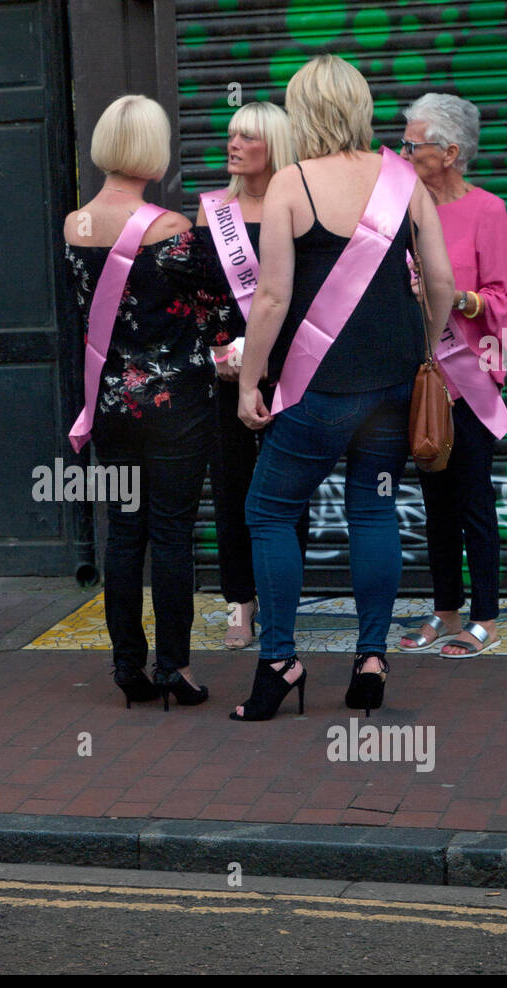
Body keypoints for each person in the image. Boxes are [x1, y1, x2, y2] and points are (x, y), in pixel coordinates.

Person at [230, 55, 454, 721]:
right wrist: (428, 348)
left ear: (304, 114)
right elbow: (439, 280)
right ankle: (371, 659)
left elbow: (270, 299)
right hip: (390, 384)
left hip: (318, 388)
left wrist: (248, 384)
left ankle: (279, 662)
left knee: (268, 512)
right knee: (373, 512)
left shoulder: (290, 184)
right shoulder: (401, 178)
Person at [63, 95, 230, 711]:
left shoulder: (74, 225)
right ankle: (175, 668)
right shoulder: (171, 230)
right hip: (177, 405)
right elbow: (223, 300)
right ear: (152, 149)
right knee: (173, 535)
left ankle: (127, 665)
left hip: (109, 403)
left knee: (124, 534)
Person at [397, 93, 507, 659]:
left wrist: (454, 298)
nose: (403, 150)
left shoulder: (488, 210)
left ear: (449, 152)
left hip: (466, 380)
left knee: (473, 501)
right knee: (434, 503)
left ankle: (486, 617)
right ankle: (445, 612)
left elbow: (500, 299)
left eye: (413, 143)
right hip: (420, 379)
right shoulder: (403, 209)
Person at [194, 101, 308, 650]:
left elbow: (304, 295)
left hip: (290, 366)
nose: (232, 144)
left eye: (247, 137)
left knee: (289, 491)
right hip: (228, 372)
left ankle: (282, 599)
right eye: (231, 133)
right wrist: (219, 352)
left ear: (274, 147)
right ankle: (241, 604)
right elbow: (204, 296)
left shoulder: (300, 205)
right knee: (233, 485)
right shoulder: (212, 210)